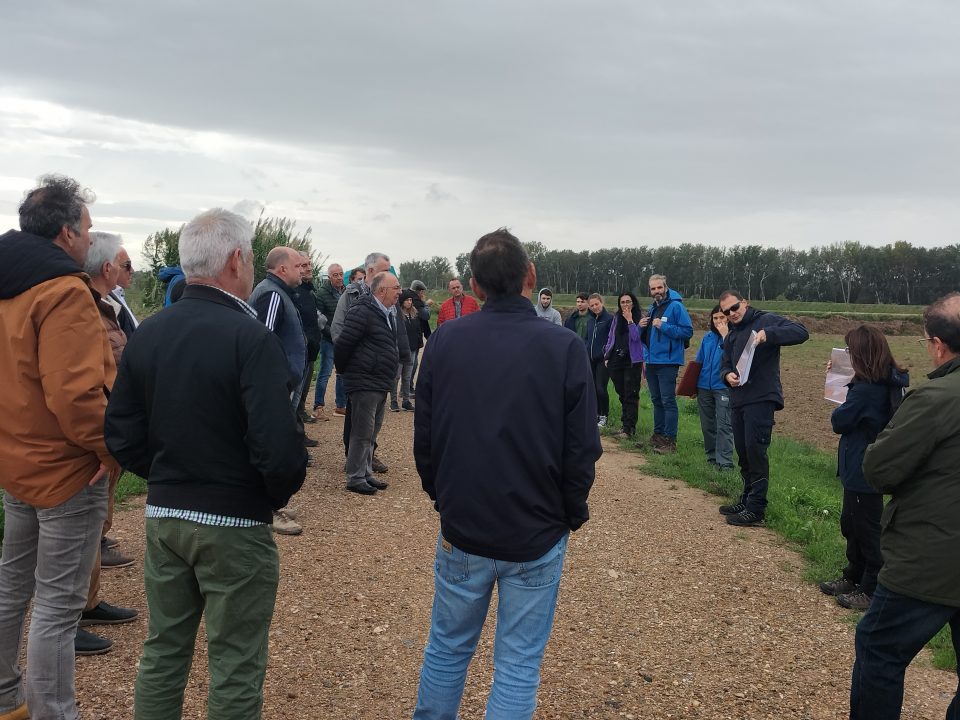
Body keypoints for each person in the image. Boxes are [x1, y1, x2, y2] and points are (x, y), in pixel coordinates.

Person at [105, 208, 306, 720]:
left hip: (166, 515)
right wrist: (262, 494)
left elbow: (121, 432)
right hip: (234, 519)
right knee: (235, 660)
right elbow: (278, 449)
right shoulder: (250, 338)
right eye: (253, 255)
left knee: (164, 648)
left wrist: (170, 474)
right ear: (237, 260)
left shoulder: (149, 333)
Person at [413, 228, 601, 719]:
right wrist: (569, 512)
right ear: (530, 276)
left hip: (465, 523)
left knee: (447, 649)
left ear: (474, 285)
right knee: (518, 664)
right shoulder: (563, 347)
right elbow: (582, 447)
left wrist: (444, 498)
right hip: (535, 529)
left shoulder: (447, 340)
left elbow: (426, 438)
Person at [0, 174, 117, 719]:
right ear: (68, 233)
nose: (91, 239)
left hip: (14, 459)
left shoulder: (8, 282)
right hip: (68, 469)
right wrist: (111, 449)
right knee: (57, 605)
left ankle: (4, 697)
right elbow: (75, 396)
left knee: (12, 585)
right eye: (89, 228)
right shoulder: (63, 290)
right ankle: (54, 712)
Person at [849, 293, 960, 720]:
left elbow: (879, 469)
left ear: (937, 344)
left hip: (931, 558)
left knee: (880, 650)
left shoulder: (935, 399)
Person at [76, 231, 140, 655]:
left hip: (110, 431)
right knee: (82, 528)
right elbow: (85, 384)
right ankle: (73, 615)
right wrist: (103, 442)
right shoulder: (83, 310)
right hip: (94, 437)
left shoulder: (106, 307)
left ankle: (89, 602)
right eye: (123, 263)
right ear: (106, 269)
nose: (125, 270)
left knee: (98, 518)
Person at [819, 326, 909, 613]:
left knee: (867, 530)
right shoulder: (883, 381)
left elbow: (839, 421)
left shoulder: (868, 391)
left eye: (850, 351)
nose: (847, 355)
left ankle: (871, 589)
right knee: (851, 523)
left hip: (862, 468)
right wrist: (842, 376)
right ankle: (853, 576)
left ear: (861, 354)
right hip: (864, 465)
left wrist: (842, 384)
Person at [718, 290, 809, 527]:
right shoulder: (731, 335)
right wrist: (727, 375)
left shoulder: (765, 320)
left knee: (755, 450)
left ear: (744, 303)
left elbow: (801, 332)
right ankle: (746, 498)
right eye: (727, 312)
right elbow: (725, 363)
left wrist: (767, 335)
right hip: (739, 398)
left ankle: (757, 508)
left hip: (761, 398)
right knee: (743, 451)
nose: (732, 313)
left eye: (735, 307)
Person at [248, 246, 309, 536]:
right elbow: (264, 338)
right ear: (282, 269)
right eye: (298, 266)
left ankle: (270, 504)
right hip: (275, 385)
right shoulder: (272, 294)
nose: (302, 270)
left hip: (281, 382)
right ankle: (266, 510)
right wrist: (277, 381)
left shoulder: (280, 292)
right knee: (271, 446)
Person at [334, 271, 401, 495]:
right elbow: (344, 343)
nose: (400, 292)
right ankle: (355, 477)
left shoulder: (388, 311)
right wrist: (346, 372)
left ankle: (366, 472)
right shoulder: (363, 310)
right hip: (365, 380)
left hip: (380, 381)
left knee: (372, 432)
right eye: (396, 288)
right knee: (362, 432)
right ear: (381, 291)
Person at [638, 274, 693, 454]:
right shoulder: (652, 308)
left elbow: (687, 331)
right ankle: (658, 435)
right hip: (652, 361)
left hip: (668, 362)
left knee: (668, 400)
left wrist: (664, 326)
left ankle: (670, 441)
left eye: (659, 288)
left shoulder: (676, 306)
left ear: (666, 287)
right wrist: (641, 326)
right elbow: (645, 336)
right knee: (656, 400)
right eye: (653, 289)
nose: (656, 292)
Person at [695, 305, 734, 471]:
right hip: (704, 387)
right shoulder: (707, 337)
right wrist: (692, 385)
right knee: (707, 425)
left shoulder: (734, 337)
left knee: (724, 425)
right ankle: (711, 459)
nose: (719, 321)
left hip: (723, 387)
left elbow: (736, 358)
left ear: (728, 319)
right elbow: (698, 362)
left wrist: (726, 337)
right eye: (715, 318)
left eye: (722, 317)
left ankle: (725, 463)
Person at [602, 291, 645, 439]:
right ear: (619, 305)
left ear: (633, 303)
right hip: (616, 359)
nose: (625, 304)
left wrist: (630, 320)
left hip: (632, 360)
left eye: (628, 301)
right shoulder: (616, 318)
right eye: (623, 302)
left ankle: (629, 429)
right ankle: (624, 425)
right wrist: (607, 355)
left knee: (631, 394)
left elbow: (636, 338)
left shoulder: (640, 318)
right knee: (622, 393)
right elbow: (611, 336)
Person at [291, 252, 323, 425]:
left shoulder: (309, 290)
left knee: (302, 391)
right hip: (299, 351)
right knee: (294, 394)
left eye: (309, 263)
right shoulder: (294, 291)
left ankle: (300, 416)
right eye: (303, 265)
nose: (309, 267)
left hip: (310, 350)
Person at [313, 263, 347, 419]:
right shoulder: (321, 293)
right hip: (328, 340)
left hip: (344, 339)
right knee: (325, 373)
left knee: (342, 373)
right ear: (329, 276)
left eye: (341, 274)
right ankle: (318, 406)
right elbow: (320, 320)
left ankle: (341, 406)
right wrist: (333, 335)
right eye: (336, 275)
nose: (339, 277)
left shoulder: (347, 291)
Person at [586, 293, 613, 428]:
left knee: (600, 388)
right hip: (590, 359)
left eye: (597, 304)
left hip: (603, 360)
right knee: (592, 388)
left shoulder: (609, 319)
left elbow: (612, 340)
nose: (595, 307)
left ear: (602, 302)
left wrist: (607, 356)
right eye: (592, 305)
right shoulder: (590, 321)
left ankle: (604, 416)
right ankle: (595, 414)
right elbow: (587, 339)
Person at [393, 289, 421, 411]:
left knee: (407, 377)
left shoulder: (414, 314)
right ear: (402, 301)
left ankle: (405, 401)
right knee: (396, 376)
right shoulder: (396, 315)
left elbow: (418, 331)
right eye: (407, 300)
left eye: (411, 300)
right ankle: (393, 401)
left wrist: (419, 342)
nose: (410, 302)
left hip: (412, 350)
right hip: (399, 350)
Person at [408, 279, 433, 395]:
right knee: (411, 364)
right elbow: (426, 315)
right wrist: (426, 304)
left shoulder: (413, 299)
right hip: (413, 335)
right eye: (422, 291)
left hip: (415, 333)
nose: (423, 294)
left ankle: (409, 387)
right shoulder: (416, 301)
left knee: (413, 363)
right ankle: (407, 388)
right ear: (419, 291)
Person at [111, 245, 139, 339]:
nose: (132, 270)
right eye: (127, 265)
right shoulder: (107, 302)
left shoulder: (118, 295)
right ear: (108, 267)